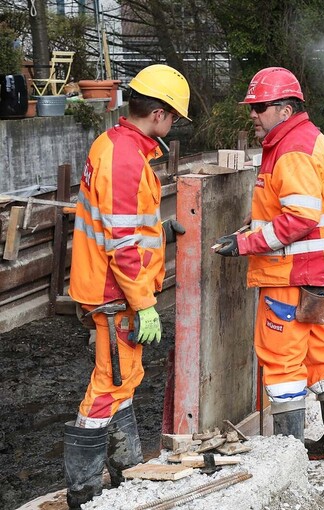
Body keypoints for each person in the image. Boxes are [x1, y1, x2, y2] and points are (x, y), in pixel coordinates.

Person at [213, 67, 324, 464]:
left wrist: (247, 242)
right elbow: (293, 209)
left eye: (259, 107)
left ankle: (288, 459)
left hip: (293, 276)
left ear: (283, 108)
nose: (253, 114)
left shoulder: (292, 148)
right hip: (320, 274)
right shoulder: (300, 139)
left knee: (282, 364)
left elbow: (300, 217)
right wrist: (255, 226)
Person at [65, 64, 190, 508]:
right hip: (114, 293)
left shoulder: (117, 146)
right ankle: (84, 492)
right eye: (174, 116)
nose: (174, 124)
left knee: (124, 378)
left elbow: (127, 224)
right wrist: (145, 302)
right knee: (109, 384)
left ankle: (126, 470)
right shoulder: (124, 159)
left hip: (109, 287)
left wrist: (160, 232)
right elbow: (120, 242)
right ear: (158, 114)